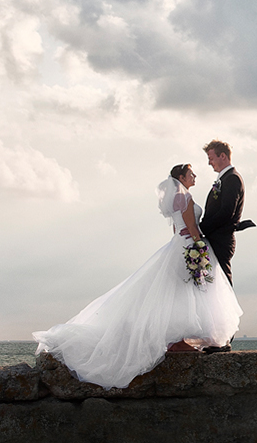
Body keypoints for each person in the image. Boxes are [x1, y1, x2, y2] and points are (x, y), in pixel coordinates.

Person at [32, 163, 243, 390]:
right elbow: (191, 227)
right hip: (190, 245)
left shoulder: (175, 199)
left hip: (177, 245)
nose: (195, 176)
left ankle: (178, 339)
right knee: (184, 291)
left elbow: (176, 228)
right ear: (181, 177)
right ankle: (178, 341)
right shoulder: (186, 197)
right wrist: (199, 246)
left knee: (175, 291)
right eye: (191, 173)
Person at [199, 140, 246, 286]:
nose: (209, 163)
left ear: (223, 156)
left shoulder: (232, 179)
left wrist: (201, 228)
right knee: (215, 284)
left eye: (211, 158)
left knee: (223, 283)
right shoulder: (225, 178)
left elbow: (227, 212)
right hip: (215, 238)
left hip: (221, 239)